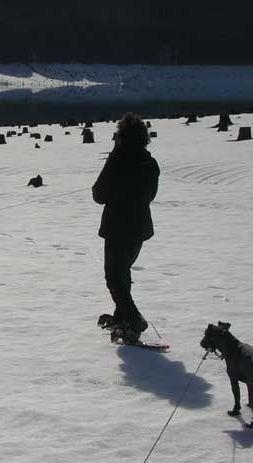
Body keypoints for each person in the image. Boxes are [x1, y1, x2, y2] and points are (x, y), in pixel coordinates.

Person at [92, 113, 160, 343]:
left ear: (121, 137)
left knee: (113, 277)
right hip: (139, 227)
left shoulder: (117, 160)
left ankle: (133, 318)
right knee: (123, 272)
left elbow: (99, 195)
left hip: (117, 228)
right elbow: (150, 195)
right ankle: (122, 318)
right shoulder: (150, 163)